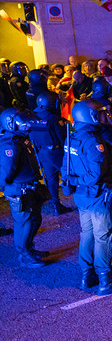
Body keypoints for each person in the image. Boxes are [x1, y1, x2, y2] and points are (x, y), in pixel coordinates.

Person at [69, 100, 112, 293]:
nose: (102, 116)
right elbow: (94, 175)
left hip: (80, 195)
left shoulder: (72, 138)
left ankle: (87, 276)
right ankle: (106, 280)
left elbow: (67, 168)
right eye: (98, 114)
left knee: (87, 235)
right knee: (103, 237)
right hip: (97, 195)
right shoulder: (93, 142)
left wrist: (74, 181)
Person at [0, 109, 47, 267]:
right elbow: (7, 171)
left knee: (34, 219)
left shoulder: (20, 139)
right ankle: (24, 255)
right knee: (23, 222)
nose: (26, 124)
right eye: (22, 121)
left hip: (29, 186)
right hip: (19, 189)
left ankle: (28, 248)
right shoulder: (10, 144)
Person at [29, 90, 73, 215]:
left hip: (43, 153)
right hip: (57, 152)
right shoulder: (53, 118)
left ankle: (56, 205)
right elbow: (63, 137)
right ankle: (82, 203)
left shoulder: (33, 116)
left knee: (51, 180)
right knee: (70, 175)